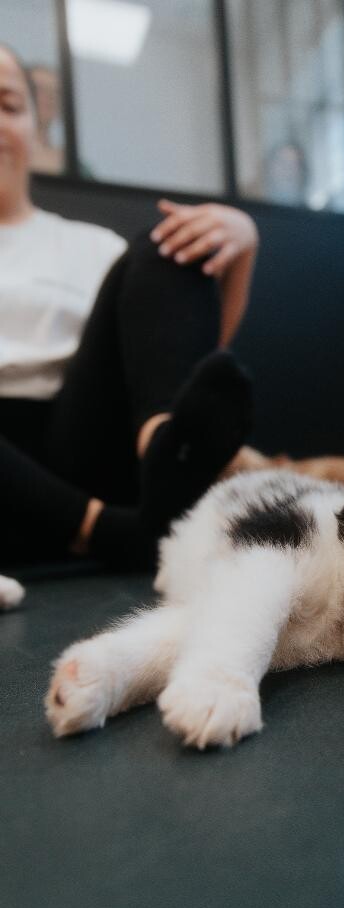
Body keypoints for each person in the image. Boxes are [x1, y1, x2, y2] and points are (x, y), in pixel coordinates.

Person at [0, 43, 258, 568]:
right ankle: (113, 532)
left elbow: (182, 357)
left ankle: (165, 453)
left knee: (168, 243)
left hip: (83, 442)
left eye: (7, 105)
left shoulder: (89, 247)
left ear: (33, 125)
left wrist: (242, 247)